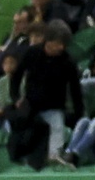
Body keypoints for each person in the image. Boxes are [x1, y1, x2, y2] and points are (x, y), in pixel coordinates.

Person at [15, 21, 82, 167]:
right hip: (31, 104)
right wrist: (16, 97)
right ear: (48, 41)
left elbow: (75, 89)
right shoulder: (32, 53)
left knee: (57, 127)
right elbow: (17, 74)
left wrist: (78, 112)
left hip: (54, 105)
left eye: (63, 44)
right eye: (58, 43)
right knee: (22, 127)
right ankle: (21, 157)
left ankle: (54, 156)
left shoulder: (68, 62)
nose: (61, 47)